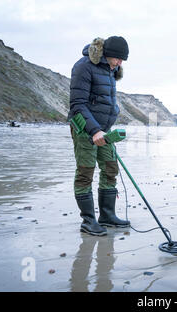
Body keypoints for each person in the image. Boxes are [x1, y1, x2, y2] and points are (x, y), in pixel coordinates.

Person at [68, 36, 130, 236]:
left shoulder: (111, 70)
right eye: (118, 59)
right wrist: (94, 130)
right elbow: (77, 105)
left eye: (122, 60)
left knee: (111, 168)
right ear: (107, 53)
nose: (120, 63)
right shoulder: (84, 66)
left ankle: (107, 215)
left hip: (105, 130)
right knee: (86, 173)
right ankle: (88, 221)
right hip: (85, 129)